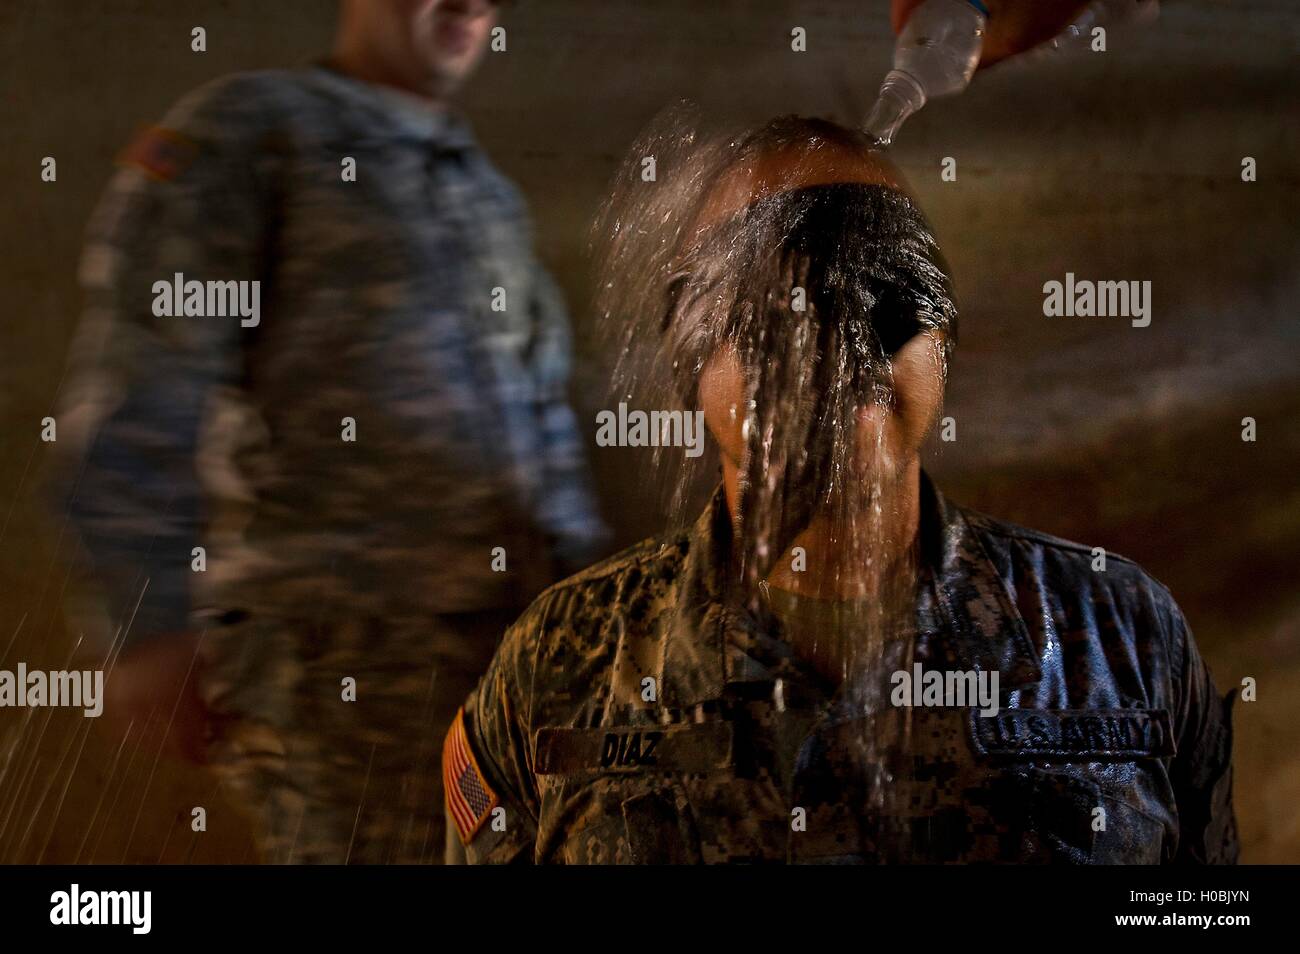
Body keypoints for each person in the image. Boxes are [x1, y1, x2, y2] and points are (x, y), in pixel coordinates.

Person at [445, 115, 1237, 864]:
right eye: (777, 307)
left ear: (944, 336)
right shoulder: (557, 666)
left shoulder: (1123, 639)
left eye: (888, 291)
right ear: (689, 355)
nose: (843, 347)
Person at [57, 0, 606, 864]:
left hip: (521, 662)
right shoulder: (254, 132)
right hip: (351, 664)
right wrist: (148, 617)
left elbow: (541, 422)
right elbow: (147, 375)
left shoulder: (480, 186)